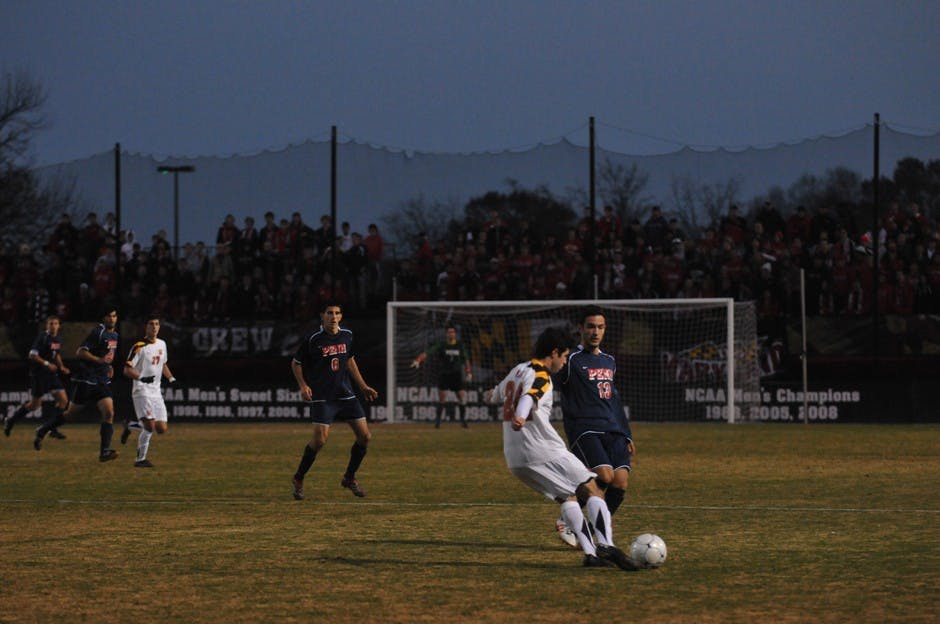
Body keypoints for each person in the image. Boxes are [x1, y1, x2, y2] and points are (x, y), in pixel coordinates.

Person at [484, 326, 636, 570]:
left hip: (515, 459)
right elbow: (529, 397)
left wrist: (489, 395)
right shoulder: (541, 374)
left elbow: (495, 394)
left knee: (568, 496)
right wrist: (521, 416)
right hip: (543, 451)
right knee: (595, 488)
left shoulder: (517, 370)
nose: (565, 362)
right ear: (553, 353)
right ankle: (606, 545)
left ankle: (590, 555)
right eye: (564, 356)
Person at [552, 305, 636, 547]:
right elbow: (548, 377)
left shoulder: (609, 361)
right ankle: (570, 513)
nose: (595, 332)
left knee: (620, 483)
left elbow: (614, 399)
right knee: (605, 476)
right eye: (590, 327)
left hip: (613, 429)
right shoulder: (570, 361)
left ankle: (585, 527)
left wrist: (627, 433)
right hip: (585, 429)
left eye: (600, 327)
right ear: (581, 329)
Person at [290, 301, 378, 501]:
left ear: (341, 315)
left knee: (365, 437)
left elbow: (349, 360)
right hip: (323, 396)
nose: (334, 316)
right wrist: (303, 386)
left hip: (345, 394)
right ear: (322, 316)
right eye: (329, 313)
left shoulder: (347, 335)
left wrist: (363, 386)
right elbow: (296, 364)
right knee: (320, 440)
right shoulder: (313, 339)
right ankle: (298, 478)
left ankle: (349, 477)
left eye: (337, 313)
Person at [34, 305, 121, 462]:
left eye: (114, 316)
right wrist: (99, 360)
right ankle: (43, 429)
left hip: (101, 380)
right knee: (70, 414)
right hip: (87, 380)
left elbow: (106, 355)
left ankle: (104, 452)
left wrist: (108, 366)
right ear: (104, 318)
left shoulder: (114, 335)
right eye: (109, 316)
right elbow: (80, 352)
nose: (112, 318)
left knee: (109, 412)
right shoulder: (98, 332)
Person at [120, 317, 176, 467]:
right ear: (145, 327)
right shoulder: (139, 346)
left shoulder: (162, 344)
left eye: (157, 324)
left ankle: (130, 425)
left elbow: (163, 363)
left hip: (156, 392)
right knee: (149, 426)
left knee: (161, 428)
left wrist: (171, 378)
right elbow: (126, 369)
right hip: (141, 390)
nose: (154, 327)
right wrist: (142, 378)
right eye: (151, 324)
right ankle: (140, 460)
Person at [3, 315, 69, 440]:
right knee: (35, 405)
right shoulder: (42, 337)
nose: (53, 326)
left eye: (55, 323)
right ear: (46, 325)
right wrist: (47, 364)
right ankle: (11, 420)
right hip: (39, 374)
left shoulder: (58, 339)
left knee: (63, 401)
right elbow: (32, 355)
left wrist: (62, 366)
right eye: (51, 324)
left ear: (59, 325)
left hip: (51, 374)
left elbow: (56, 355)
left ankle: (51, 429)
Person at [410, 323, 472, 428]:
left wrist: (468, 372)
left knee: (461, 397)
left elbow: (466, 359)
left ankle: (463, 421)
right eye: (449, 332)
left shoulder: (460, 345)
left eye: (452, 332)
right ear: (446, 334)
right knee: (442, 399)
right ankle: (438, 422)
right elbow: (428, 352)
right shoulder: (442, 344)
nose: (451, 334)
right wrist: (418, 360)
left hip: (456, 375)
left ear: (455, 334)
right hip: (444, 375)